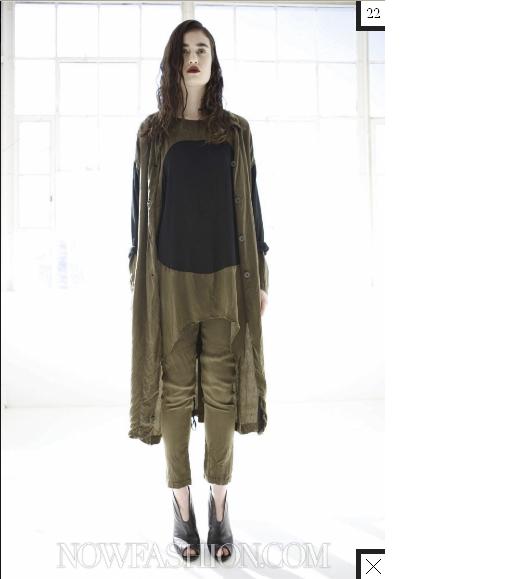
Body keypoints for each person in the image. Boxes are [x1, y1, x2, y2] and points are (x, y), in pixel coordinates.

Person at [129, 20, 269, 562]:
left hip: (228, 277)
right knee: (174, 391)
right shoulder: (153, 133)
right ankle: (181, 505)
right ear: (173, 62)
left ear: (213, 61)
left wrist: (262, 275)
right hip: (169, 279)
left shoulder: (234, 131)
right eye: (185, 50)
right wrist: (136, 269)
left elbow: (251, 203)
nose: (194, 57)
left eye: (202, 49)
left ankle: (219, 502)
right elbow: (137, 207)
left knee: (222, 392)